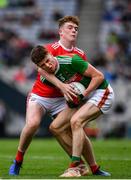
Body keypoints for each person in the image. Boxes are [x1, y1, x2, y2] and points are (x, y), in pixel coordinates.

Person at [9, 16, 108, 176]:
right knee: (33, 123)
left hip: (63, 99)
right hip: (41, 95)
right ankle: (18, 160)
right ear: (60, 32)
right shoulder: (51, 48)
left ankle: (92, 167)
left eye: (76, 28)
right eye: (70, 27)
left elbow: (84, 76)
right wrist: (62, 86)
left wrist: (81, 94)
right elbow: (40, 69)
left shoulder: (79, 54)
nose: (74, 30)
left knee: (76, 128)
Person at [30, 45, 114, 177]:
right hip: (82, 99)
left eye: (47, 60)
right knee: (55, 127)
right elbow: (67, 94)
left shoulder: (71, 61)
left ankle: (74, 168)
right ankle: (89, 167)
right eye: (43, 65)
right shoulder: (46, 78)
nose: (48, 65)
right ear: (39, 67)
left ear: (50, 54)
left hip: (101, 92)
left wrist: (84, 94)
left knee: (76, 121)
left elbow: (99, 76)